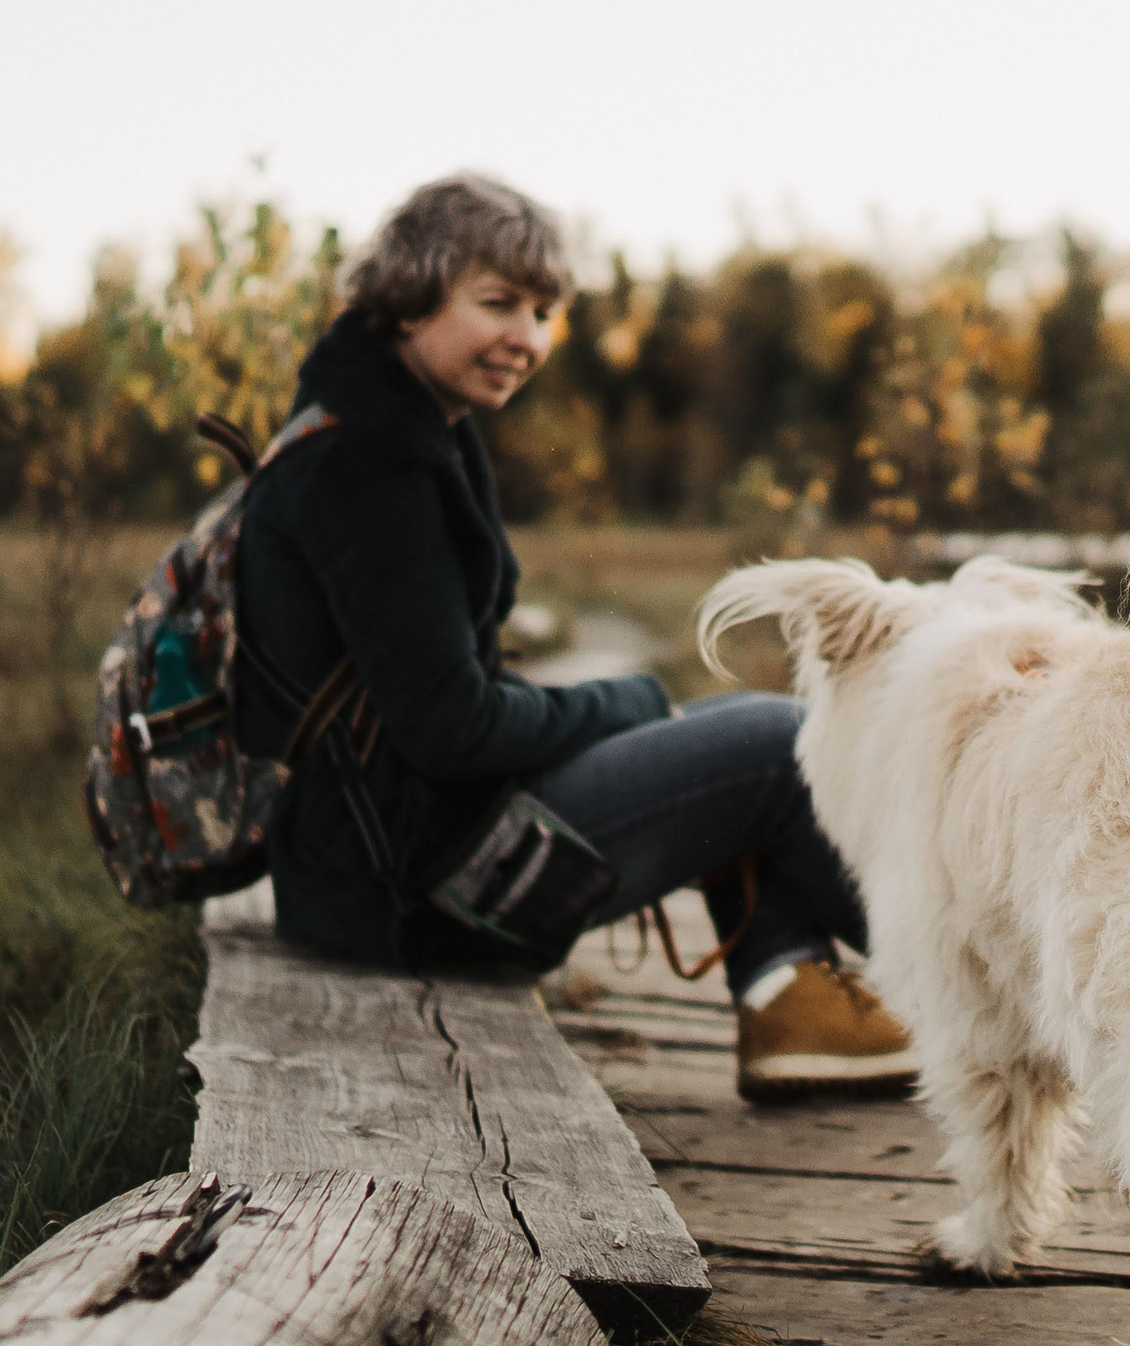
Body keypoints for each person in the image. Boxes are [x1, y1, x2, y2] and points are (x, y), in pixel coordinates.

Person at [235, 173, 913, 1102]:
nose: (528, 336)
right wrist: (627, 702)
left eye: (545, 311)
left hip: (379, 867)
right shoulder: (370, 463)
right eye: (499, 303)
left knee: (729, 745)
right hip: (417, 893)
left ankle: (792, 1003)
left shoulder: (388, 425)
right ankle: (975, 1000)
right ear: (410, 298)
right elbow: (450, 728)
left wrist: (626, 724)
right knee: (770, 743)